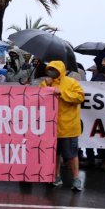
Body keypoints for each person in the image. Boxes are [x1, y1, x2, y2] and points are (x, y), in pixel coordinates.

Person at [40, 60, 85, 191]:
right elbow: (38, 99)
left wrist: (62, 93)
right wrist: (47, 88)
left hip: (68, 127)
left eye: (54, 69)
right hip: (51, 127)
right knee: (54, 154)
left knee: (71, 154)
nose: (51, 71)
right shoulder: (45, 83)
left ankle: (76, 179)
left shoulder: (71, 82)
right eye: (49, 69)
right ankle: (56, 176)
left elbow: (80, 97)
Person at [82, 55, 105, 171]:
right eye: (102, 65)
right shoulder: (96, 77)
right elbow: (88, 89)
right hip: (93, 113)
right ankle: (89, 158)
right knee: (88, 133)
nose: (103, 67)